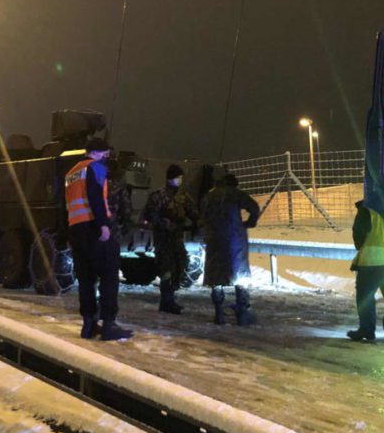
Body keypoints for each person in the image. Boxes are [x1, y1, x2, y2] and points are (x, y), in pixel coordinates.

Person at [65, 138, 132, 341]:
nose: (107, 158)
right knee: (109, 274)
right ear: (99, 153)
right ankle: (109, 324)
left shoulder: (72, 172)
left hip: (76, 228)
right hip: (94, 227)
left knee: (86, 279)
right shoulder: (96, 167)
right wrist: (103, 224)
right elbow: (95, 196)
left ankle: (88, 325)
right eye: (106, 154)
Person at [201, 174, 261, 326]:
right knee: (239, 276)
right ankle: (242, 312)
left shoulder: (208, 197)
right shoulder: (236, 194)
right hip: (234, 240)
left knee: (216, 278)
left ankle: (219, 313)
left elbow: (202, 216)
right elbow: (254, 207)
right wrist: (249, 223)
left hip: (214, 240)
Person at [143, 164, 199, 314]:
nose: (180, 180)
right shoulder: (158, 195)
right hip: (163, 237)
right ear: (170, 178)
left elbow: (193, 212)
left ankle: (171, 298)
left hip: (177, 236)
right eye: (177, 177)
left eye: (181, 177)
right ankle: (166, 301)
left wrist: (195, 222)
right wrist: (163, 223)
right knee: (166, 268)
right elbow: (149, 215)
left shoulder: (183, 196)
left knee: (180, 265)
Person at [347, 200, 384, 342]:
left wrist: (361, 247)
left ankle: (367, 329)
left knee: (365, 297)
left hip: (371, 263)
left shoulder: (366, 211)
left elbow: (358, 235)